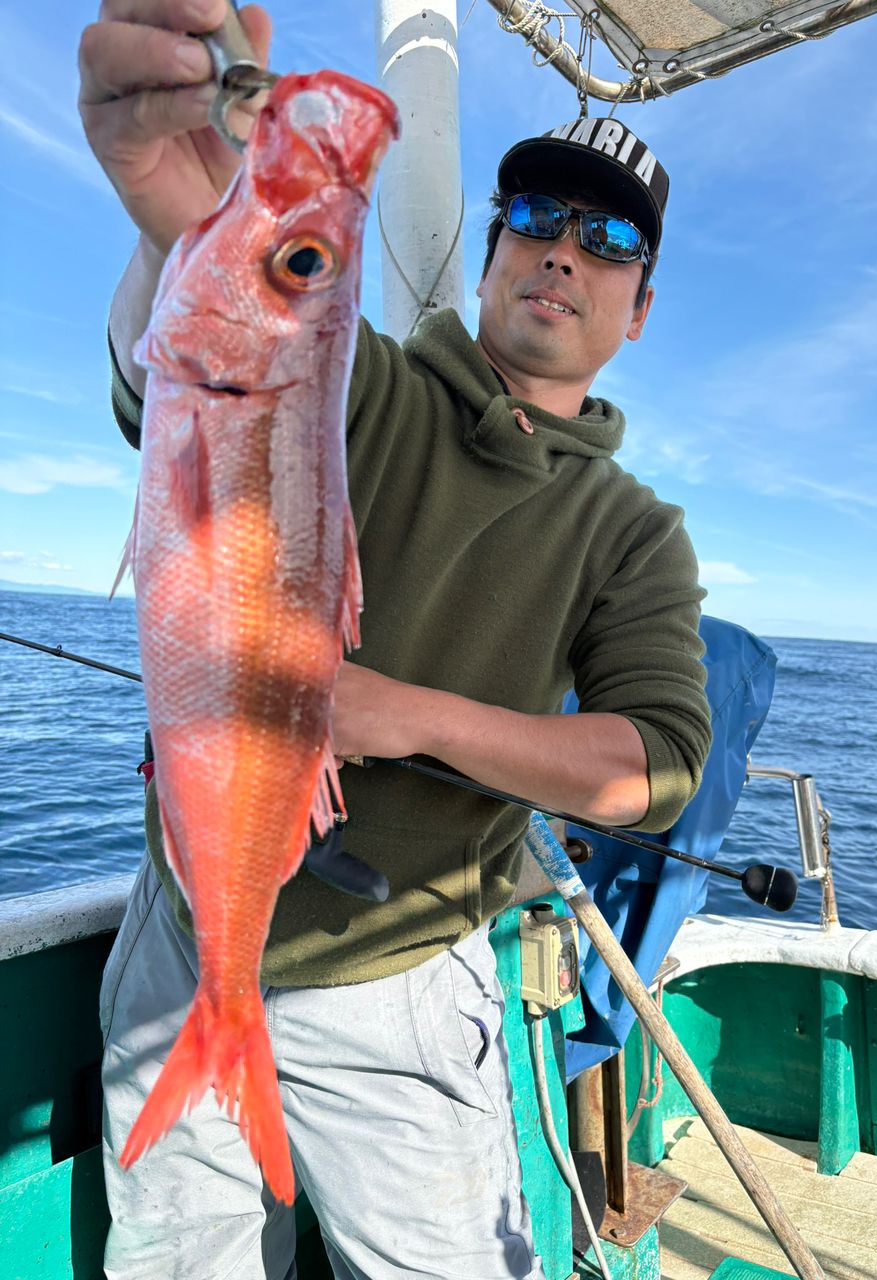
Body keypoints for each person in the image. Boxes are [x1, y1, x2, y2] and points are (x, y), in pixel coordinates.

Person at [79, 3, 712, 1277]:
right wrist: (183, 225)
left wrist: (400, 712)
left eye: (610, 240)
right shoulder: (356, 378)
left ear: (638, 305)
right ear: (488, 256)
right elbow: (192, 381)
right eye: (536, 220)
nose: (564, 254)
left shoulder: (636, 531)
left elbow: (653, 766)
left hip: (404, 986)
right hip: (184, 926)